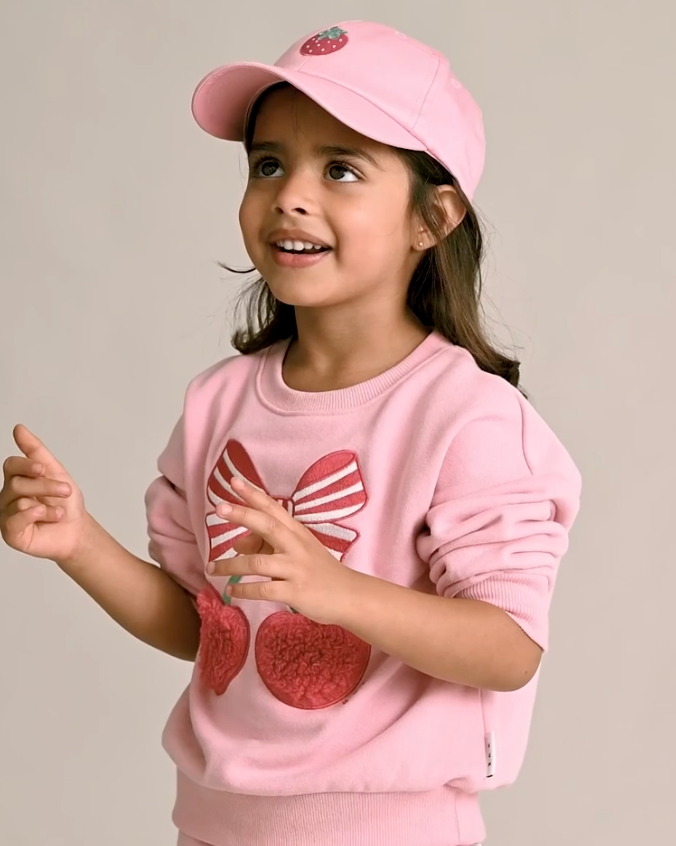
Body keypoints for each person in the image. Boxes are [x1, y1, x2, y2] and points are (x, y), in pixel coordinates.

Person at [0, 20, 583, 846]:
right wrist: (79, 542)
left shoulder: (466, 417)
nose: (290, 194)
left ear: (434, 217)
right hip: (213, 822)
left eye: (341, 168)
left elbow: (509, 645)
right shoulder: (217, 405)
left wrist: (337, 592)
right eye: (268, 162)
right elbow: (208, 626)